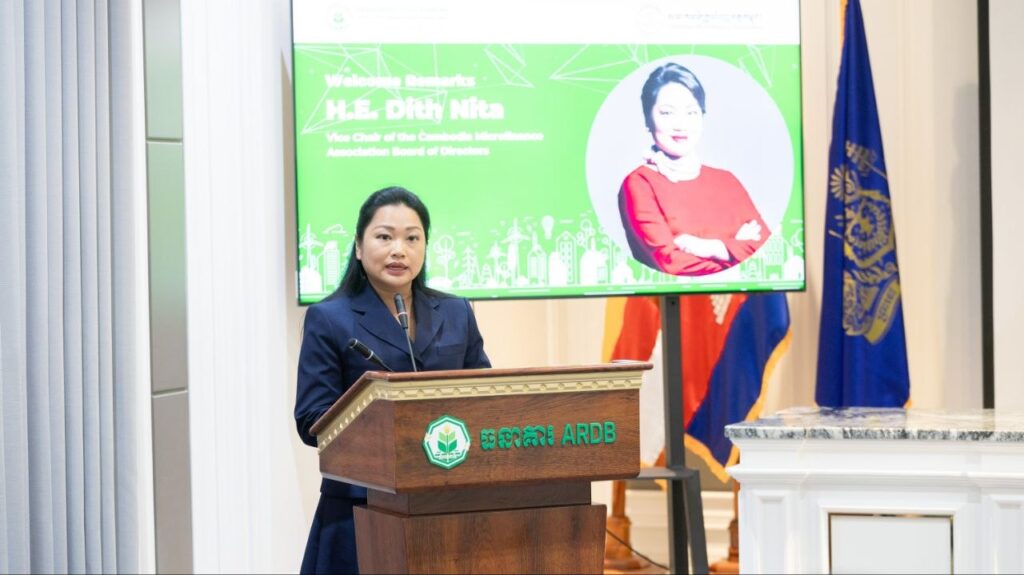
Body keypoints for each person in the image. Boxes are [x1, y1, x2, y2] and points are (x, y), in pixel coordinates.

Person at [294, 186, 491, 574]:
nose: (399, 250)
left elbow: (485, 398)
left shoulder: (456, 312)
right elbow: (312, 420)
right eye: (384, 237)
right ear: (358, 246)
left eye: (412, 238)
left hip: (448, 501)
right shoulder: (330, 319)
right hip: (360, 507)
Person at [618, 62, 769, 276]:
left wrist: (713, 248)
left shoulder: (726, 180)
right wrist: (736, 249)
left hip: (740, 296)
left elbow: (766, 250)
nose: (681, 125)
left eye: (691, 112)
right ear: (647, 119)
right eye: (667, 113)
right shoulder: (640, 183)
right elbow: (670, 264)